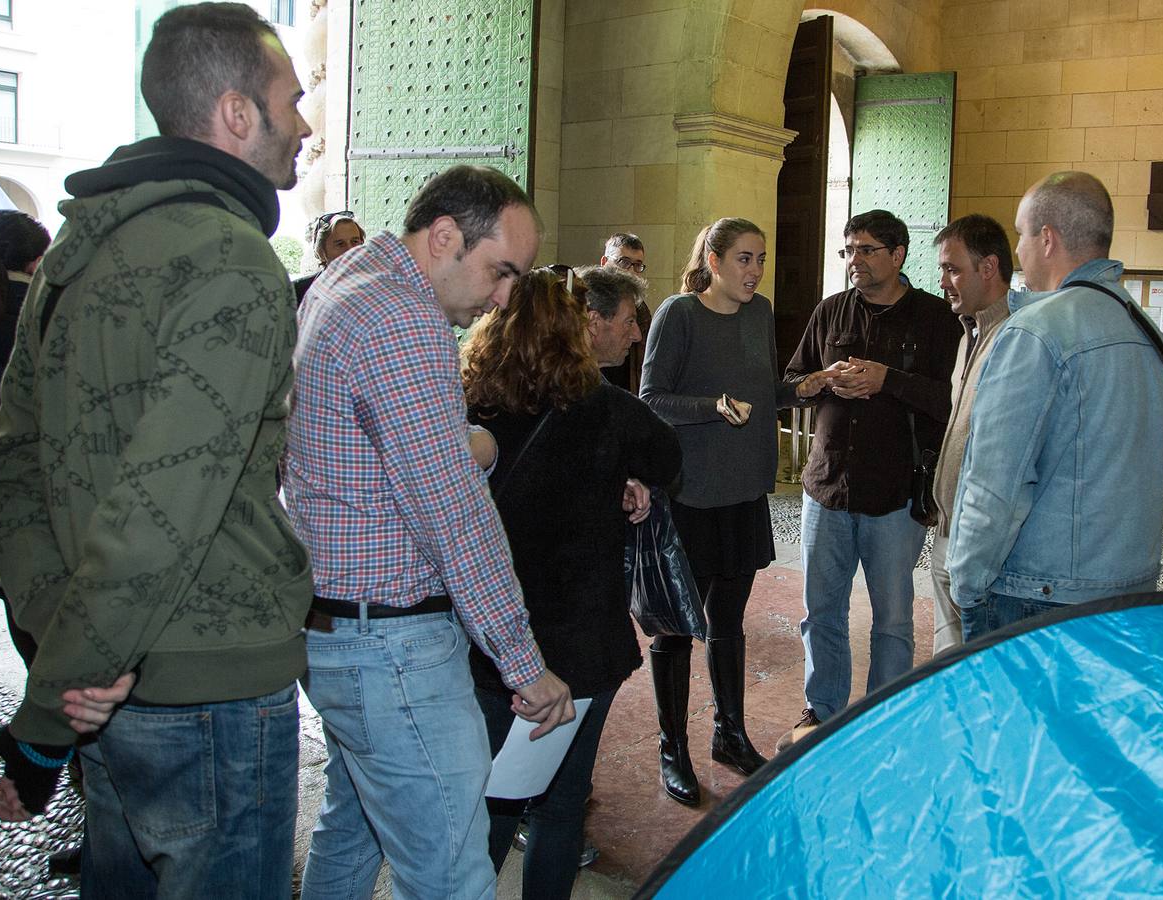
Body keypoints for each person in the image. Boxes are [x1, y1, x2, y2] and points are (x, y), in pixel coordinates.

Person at [0, 5, 313, 896]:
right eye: (292, 100)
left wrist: (73, 656)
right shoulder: (234, 260)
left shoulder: (78, 252)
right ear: (238, 113)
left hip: (115, 687)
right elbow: (158, 515)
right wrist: (54, 708)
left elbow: (3, 473)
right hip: (211, 692)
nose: (306, 125)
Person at [285, 165, 575, 900]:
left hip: (339, 635)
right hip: (392, 653)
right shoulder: (400, 318)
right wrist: (522, 660)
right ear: (444, 236)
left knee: (350, 839)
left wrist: (461, 441)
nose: (506, 297)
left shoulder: (350, 276)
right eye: (500, 272)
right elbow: (451, 512)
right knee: (452, 877)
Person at [462, 267, 680, 900]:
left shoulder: (470, 402)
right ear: (574, 333)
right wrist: (631, 475)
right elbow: (667, 459)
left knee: (492, 800)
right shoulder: (609, 410)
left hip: (491, 640)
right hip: (581, 644)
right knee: (560, 803)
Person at [639, 217, 827, 805]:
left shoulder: (760, 313)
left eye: (761, 260)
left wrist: (808, 385)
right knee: (675, 627)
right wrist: (711, 407)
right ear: (714, 261)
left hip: (744, 493)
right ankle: (673, 746)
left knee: (729, 622)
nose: (755, 271)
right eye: (744, 259)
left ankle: (729, 733)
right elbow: (652, 400)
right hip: (691, 495)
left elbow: (765, 390)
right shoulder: (678, 314)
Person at [947, 172, 1163, 641]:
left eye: (1021, 233)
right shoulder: (1150, 334)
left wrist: (966, 582)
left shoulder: (1035, 331)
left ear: (1047, 239)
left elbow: (998, 480)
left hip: (1038, 596)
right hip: (1130, 590)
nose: (1018, 249)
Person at [776, 210, 961, 751]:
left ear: (899, 254)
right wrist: (821, 382)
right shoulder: (831, 312)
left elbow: (950, 400)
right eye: (848, 250)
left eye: (866, 250)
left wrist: (888, 380)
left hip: (894, 495)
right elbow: (791, 381)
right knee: (821, 611)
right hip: (827, 488)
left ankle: (887, 717)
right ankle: (823, 710)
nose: (854, 261)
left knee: (893, 618)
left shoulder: (934, 320)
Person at [928, 214, 1011, 656]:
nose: (943, 281)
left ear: (988, 267)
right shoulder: (967, 336)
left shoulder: (1015, 342)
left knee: (982, 667)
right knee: (948, 665)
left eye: (952, 269)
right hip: (946, 535)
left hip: (981, 544)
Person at [0, 210, 48, 671]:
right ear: (36, 262)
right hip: (24, 506)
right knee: (44, 657)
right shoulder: (47, 317)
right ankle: (49, 742)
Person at [597, 233, 649, 391]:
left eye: (637, 265)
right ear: (604, 262)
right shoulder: (583, 301)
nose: (631, 272)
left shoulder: (641, 309)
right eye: (624, 262)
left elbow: (641, 364)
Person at [293, 210, 366, 302]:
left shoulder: (377, 289)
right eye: (340, 244)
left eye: (355, 241)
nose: (350, 250)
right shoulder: (297, 293)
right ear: (321, 252)